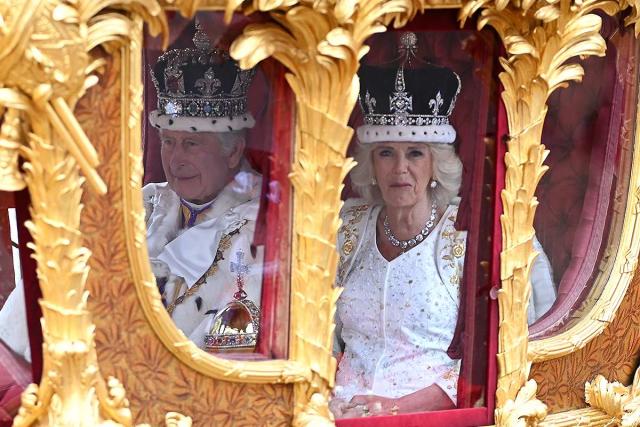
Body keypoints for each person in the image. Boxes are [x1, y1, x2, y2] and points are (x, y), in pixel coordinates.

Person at [330, 33, 557, 418]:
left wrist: (395, 409)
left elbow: (500, 356)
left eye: (414, 153)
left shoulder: (470, 235)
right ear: (372, 162)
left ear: (436, 163)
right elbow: (318, 332)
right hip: (336, 412)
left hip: (431, 417)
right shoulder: (345, 227)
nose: (400, 168)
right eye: (386, 153)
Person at [144, 20, 263, 351]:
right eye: (169, 142)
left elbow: (229, 342)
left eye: (192, 144)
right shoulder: (147, 203)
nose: (175, 159)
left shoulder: (258, 226)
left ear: (233, 151)